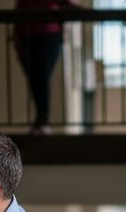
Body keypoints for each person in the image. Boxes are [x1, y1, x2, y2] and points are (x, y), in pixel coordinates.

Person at [14, 0, 81, 135]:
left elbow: (70, 4)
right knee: (35, 78)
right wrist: (17, 37)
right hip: (28, 35)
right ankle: (41, 121)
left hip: (49, 34)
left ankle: (42, 121)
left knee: (41, 77)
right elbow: (20, 8)